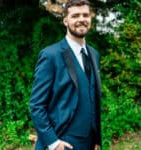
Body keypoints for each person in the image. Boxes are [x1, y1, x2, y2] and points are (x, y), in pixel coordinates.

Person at [30, 0, 102, 149]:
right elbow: (36, 105)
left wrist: (96, 139)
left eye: (85, 15)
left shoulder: (94, 54)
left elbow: (93, 98)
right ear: (65, 21)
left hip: (88, 143)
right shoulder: (51, 55)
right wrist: (53, 143)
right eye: (75, 16)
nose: (81, 19)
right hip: (62, 142)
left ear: (90, 18)